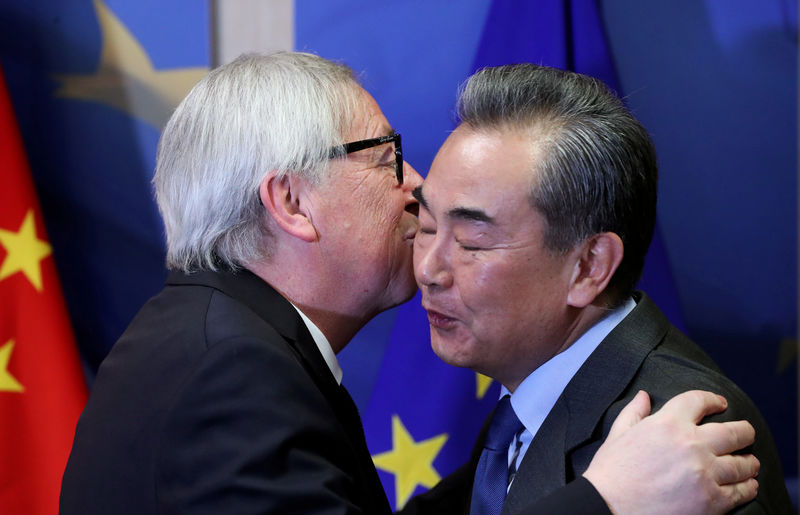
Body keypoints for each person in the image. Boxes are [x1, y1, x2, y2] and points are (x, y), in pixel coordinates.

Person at [60, 53, 759, 514]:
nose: (414, 185)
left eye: (475, 233)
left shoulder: (690, 433)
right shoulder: (233, 373)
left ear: (587, 265)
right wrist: (605, 502)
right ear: (292, 203)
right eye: (386, 157)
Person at [409, 63, 792, 514]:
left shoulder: (687, 441)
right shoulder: (521, 414)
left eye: (472, 242)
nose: (428, 270)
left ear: (590, 266)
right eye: (428, 226)